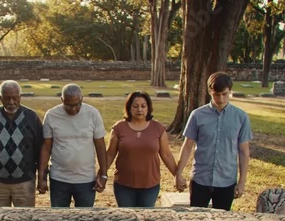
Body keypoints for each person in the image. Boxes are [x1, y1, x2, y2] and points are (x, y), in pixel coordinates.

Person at [175, 72, 252, 211]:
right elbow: (187, 146)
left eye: (225, 94)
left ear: (230, 91)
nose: (221, 99)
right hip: (200, 179)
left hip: (226, 180)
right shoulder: (197, 115)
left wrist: (242, 182)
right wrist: (178, 174)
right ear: (210, 91)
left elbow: (244, 152)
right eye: (217, 94)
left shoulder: (241, 117)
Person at [0, 80, 43, 207]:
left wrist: (42, 178)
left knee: (25, 220)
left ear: (20, 97)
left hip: (25, 182)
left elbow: (40, 151)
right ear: (0, 98)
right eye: (7, 98)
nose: (11, 102)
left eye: (15, 98)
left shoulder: (31, 117)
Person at [37, 83, 107, 207]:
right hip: (59, 179)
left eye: (77, 104)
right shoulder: (52, 115)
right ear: (62, 100)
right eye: (69, 105)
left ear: (82, 99)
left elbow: (100, 146)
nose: (74, 109)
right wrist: (41, 176)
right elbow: (46, 147)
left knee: (85, 220)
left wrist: (103, 174)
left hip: (86, 179)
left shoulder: (93, 114)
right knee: (59, 219)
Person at [104, 91, 177, 207]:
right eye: (135, 106)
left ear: (148, 108)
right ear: (129, 108)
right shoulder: (119, 128)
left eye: (143, 106)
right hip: (123, 185)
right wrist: (101, 174)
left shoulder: (158, 129)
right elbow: (109, 154)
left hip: (150, 185)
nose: (139, 110)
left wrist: (177, 175)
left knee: (145, 219)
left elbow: (166, 155)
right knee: (127, 220)